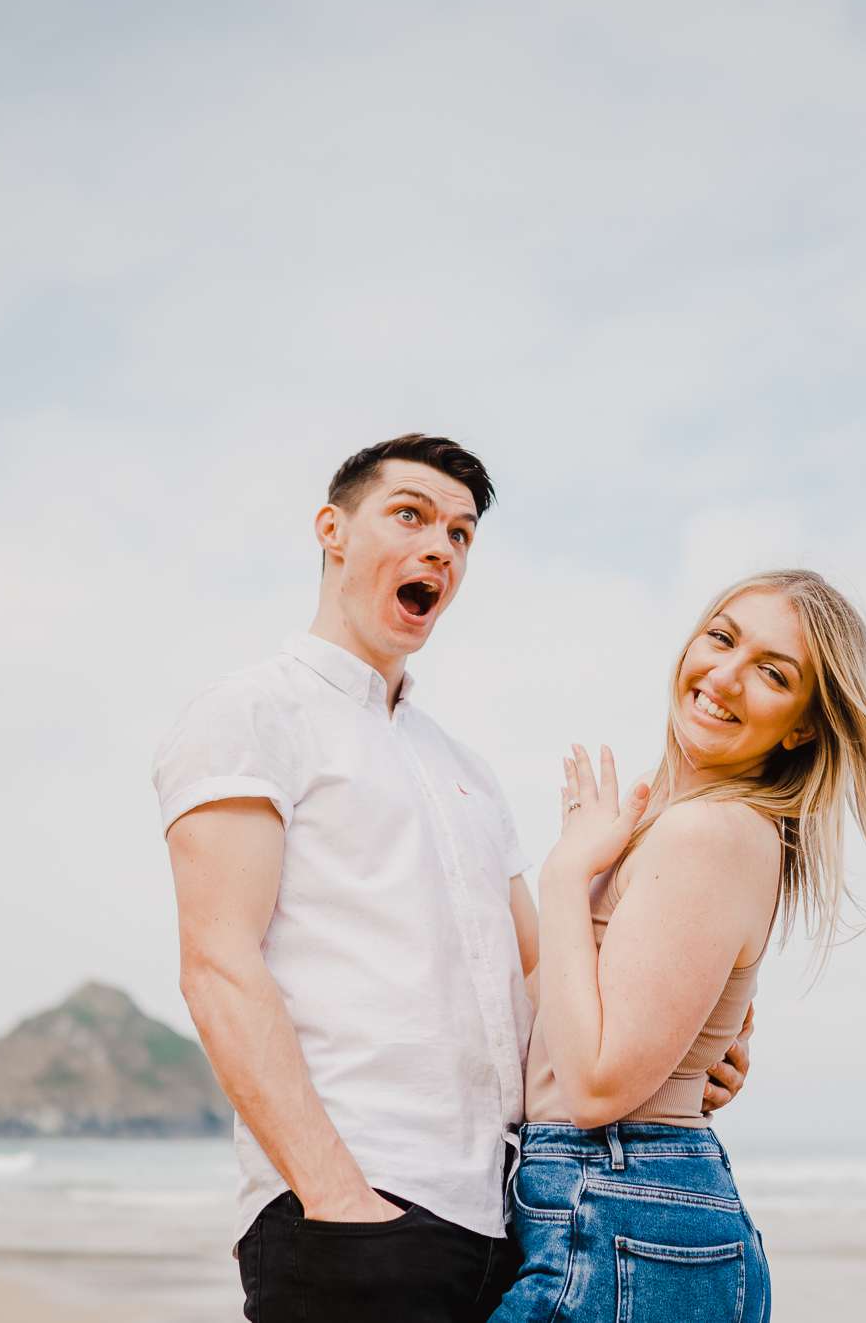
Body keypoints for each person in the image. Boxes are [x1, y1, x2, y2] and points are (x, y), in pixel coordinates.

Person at [152, 435, 749, 1323]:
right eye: (411, 515)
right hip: (353, 1211)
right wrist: (339, 1199)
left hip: (507, 1219)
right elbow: (218, 966)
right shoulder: (251, 712)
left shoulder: (461, 766)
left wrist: (671, 1044)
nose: (441, 547)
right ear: (333, 530)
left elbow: (539, 975)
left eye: (462, 534)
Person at [490, 569, 866, 1323]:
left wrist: (568, 874)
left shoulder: (710, 832)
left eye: (772, 672)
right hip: (615, 1207)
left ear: (801, 725)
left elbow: (597, 1085)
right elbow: (566, 1024)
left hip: (620, 1207)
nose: (725, 676)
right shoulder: (672, 819)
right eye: (722, 637)